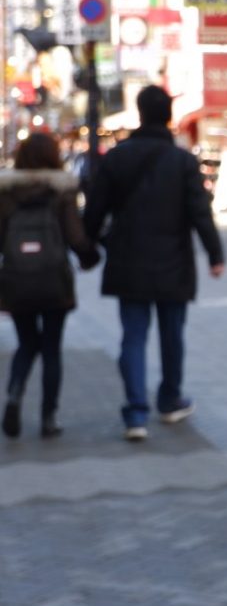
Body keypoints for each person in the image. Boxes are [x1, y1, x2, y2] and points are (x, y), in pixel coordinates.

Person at [83, 84, 225, 442]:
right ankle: (170, 399)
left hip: (128, 260)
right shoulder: (181, 160)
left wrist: (89, 246)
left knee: (133, 337)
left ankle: (135, 414)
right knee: (171, 334)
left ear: (140, 113)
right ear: (168, 116)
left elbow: (95, 210)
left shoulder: (117, 157)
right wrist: (215, 255)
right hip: (173, 262)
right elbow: (199, 212)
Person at [0, 132, 100, 438]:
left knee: (27, 343)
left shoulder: (6, 192)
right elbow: (75, 237)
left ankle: (15, 395)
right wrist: (89, 256)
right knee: (52, 348)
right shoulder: (62, 190)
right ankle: (48, 418)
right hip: (54, 279)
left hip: (17, 279)